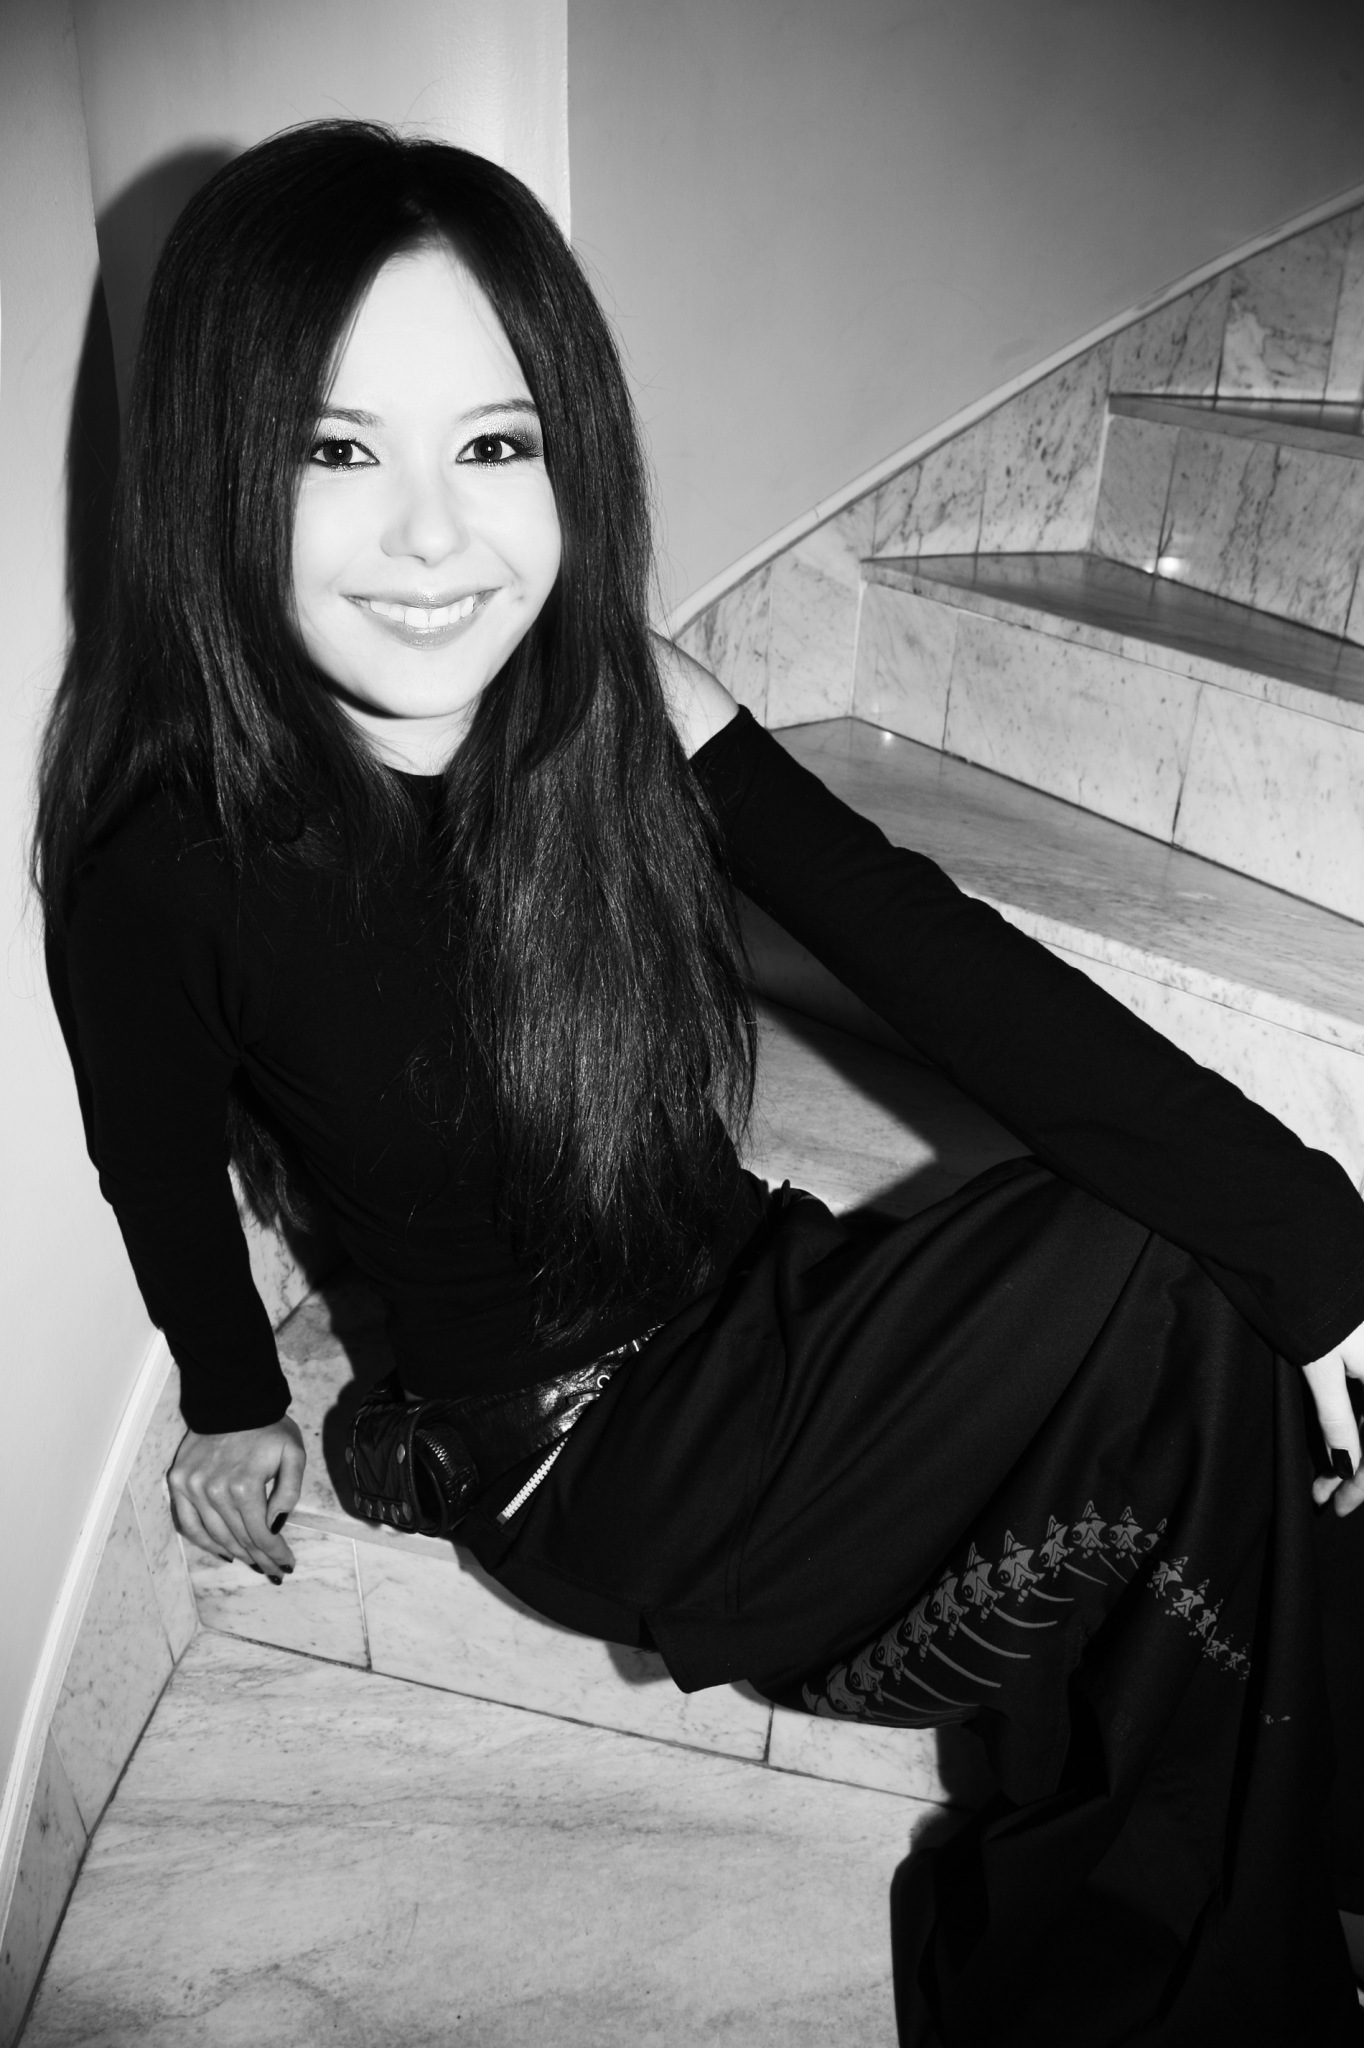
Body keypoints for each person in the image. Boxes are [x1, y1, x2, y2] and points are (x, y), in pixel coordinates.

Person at [33, 120, 1364, 2044]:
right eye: (337, 452)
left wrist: (1314, 1244)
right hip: (581, 1447)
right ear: (216, 471)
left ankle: (1228, 1897)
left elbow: (938, 960)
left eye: (497, 446)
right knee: (1171, 1281)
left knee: (1233, 1317)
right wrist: (235, 1399)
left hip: (757, 1295)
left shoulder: (615, 698)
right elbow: (154, 1164)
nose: (436, 539)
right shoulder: (168, 862)